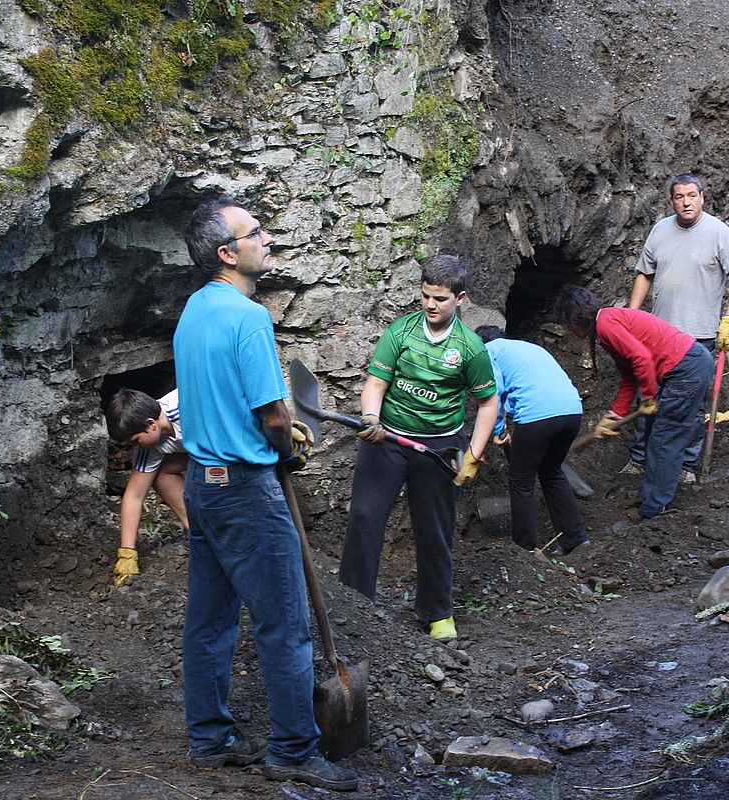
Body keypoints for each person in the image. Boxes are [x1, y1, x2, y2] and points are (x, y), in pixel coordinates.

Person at [174, 197, 358, 792]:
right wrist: (289, 446)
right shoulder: (247, 317)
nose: (268, 238)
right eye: (256, 233)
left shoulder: (194, 311)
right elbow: (273, 415)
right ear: (228, 253)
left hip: (203, 483)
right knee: (284, 623)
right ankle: (295, 750)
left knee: (209, 620)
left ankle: (210, 737)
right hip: (247, 490)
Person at [338, 255, 498, 641]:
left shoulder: (471, 349)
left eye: (440, 299)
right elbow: (376, 383)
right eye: (425, 295)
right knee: (364, 517)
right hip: (388, 439)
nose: (430, 305)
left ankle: (437, 613)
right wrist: (371, 418)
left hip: (440, 446)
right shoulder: (401, 332)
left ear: (460, 299)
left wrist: (473, 457)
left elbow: (488, 403)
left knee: (434, 529)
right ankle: (351, 606)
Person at [624, 173, 729, 480]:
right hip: (658, 334)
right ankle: (640, 458)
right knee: (647, 396)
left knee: (691, 405)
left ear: (702, 197)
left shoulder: (718, 232)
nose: (686, 202)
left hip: (699, 337)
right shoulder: (660, 230)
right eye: (679, 197)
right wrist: (631, 314)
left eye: (692, 195)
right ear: (672, 201)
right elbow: (644, 273)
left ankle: (686, 466)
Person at [555, 287, 713, 520]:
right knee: (652, 432)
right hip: (682, 368)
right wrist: (615, 415)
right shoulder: (605, 325)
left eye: (566, 323)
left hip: (687, 369)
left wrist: (649, 396)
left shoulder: (607, 324)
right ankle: (651, 495)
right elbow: (629, 375)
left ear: (575, 317)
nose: (568, 330)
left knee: (665, 439)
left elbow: (642, 357)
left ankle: (655, 507)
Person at [474, 326, 588, 557]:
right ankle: (576, 538)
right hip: (572, 412)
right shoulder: (528, 348)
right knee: (551, 471)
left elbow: (492, 394)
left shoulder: (488, 351)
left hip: (539, 415)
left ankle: (523, 549)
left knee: (520, 480)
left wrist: (498, 429)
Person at [104, 388, 190, 586]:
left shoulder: (187, 407)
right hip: (203, 451)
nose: (134, 448)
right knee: (161, 475)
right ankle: (198, 530)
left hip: (238, 444)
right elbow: (134, 495)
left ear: (151, 424)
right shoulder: (149, 447)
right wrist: (127, 554)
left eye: (135, 442)